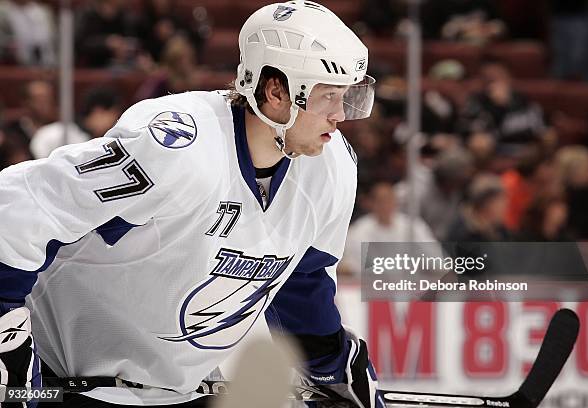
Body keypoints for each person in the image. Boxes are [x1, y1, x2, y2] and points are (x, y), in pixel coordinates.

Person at [0, 1, 382, 408]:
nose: (341, 115)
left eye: (346, 96)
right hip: (69, 382)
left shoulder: (330, 167)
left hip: (181, 393)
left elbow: (300, 282)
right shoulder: (176, 146)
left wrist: (332, 363)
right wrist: (6, 333)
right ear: (276, 92)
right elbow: (20, 209)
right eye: (328, 96)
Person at [30, 87, 122, 159]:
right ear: (99, 111)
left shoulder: (104, 141)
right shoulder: (53, 134)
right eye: (114, 114)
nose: (116, 121)